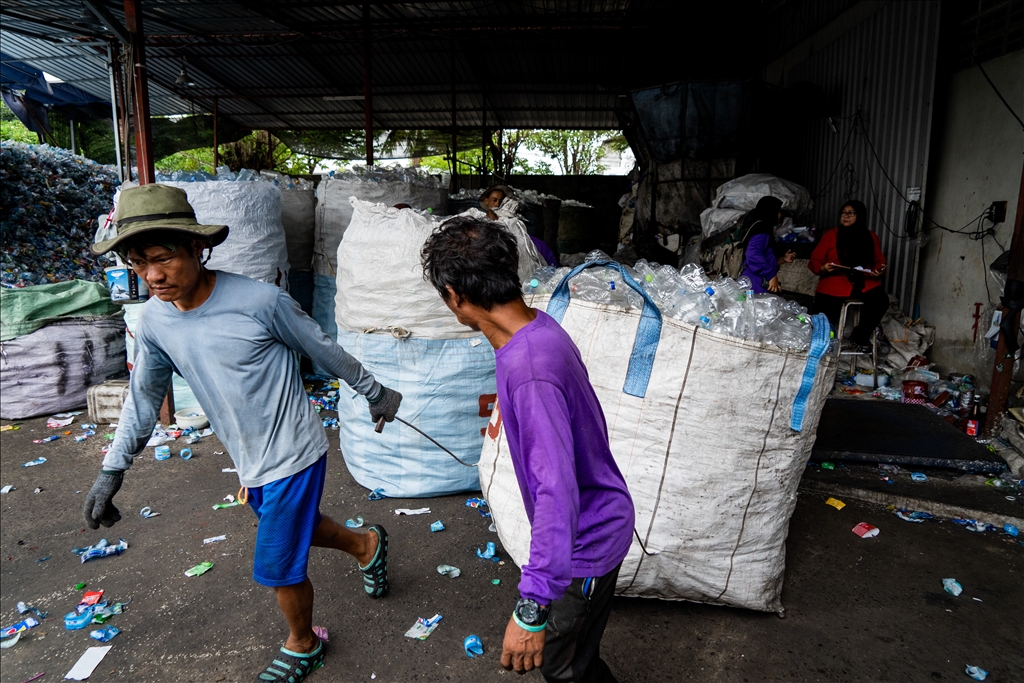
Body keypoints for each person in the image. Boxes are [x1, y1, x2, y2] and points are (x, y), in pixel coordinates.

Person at [82, 184, 402, 683]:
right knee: (301, 529)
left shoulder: (260, 301)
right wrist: (112, 469)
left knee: (277, 562)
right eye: (139, 262)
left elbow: (321, 347)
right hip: (248, 458)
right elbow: (144, 398)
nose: (152, 275)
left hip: (294, 450)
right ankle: (366, 546)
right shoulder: (154, 321)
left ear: (196, 248)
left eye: (163, 258)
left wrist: (374, 390)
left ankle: (303, 644)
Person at [421, 216, 635, 683]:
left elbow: (555, 489)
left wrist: (532, 605)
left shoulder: (529, 367)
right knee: (578, 659)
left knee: (564, 668)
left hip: (587, 541)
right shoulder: (537, 330)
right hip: (595, 525)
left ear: (455, 295)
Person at [808, 199, 888, 350]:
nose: (845, 216)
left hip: (864, 281)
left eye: (851, 213)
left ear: (860, 216)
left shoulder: (870, 236)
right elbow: (815, 260)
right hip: (835, 282)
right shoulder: (831, 235)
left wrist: (879, 271)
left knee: (880, 300)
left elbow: (879, 261)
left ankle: (859, 337)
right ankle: (823, 346)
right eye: (843, 213)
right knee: (824, 314)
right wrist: (823, 269)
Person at [481, 184, 558, 267]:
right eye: (494, 200)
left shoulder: (535, 245)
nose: (497, 204)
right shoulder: (481, 227)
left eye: (501, 201)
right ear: (486, 201)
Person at [740, 196, 796, 293]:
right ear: (770, 211)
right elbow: (752, 253)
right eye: (778, 211)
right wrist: (770, 275)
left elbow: (764, 256)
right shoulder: (762, 228)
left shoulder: (760, 227)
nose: (780, 215)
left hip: (753, 281)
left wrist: (783, 259)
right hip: (756, 283)